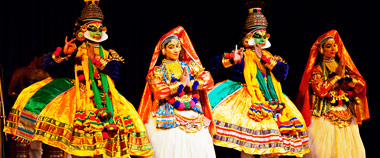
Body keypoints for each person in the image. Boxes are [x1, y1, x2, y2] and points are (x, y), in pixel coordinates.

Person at [3, 0, 153, 157]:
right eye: (91, 28)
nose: (96, 32)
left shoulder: (110, 54)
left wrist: (95, 59)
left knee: (118, 130)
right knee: (34, 104)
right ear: (83, 30)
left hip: (106, 96)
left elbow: (115, 73)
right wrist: (63, 54)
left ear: (104, 30)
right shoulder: (75, 51)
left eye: (99, 28)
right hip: (75, 95)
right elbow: (48, 67)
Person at [208, 2, 309, 157]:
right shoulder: (242, 56)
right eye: (258, 35)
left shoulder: (270, 57)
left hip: (272, 99)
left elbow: (283, 74)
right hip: (248, 100)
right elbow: (215, 65)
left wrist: (266, 60)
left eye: (264, 35)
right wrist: (232, 60)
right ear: (249, 38)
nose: (261, 39)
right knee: (248, 145)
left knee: (273, 147)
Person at [138, 26, 216, 158]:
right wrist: (180, 84)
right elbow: (158, 91)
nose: (176, 50)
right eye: (171, 47)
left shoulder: (190, 66)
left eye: (178, 46)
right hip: (168, 111)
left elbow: (208, 81)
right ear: (163, 50)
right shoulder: (158, 70)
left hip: (192, 111)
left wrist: (189, 84)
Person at [296, 29, 369, 158]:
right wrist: (336, 77)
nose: (333, 49)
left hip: (345, 112)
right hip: (324, 114)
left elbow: (360, 85)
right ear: (321, 50)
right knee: (322, 151)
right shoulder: (318, 69)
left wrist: (349, 80)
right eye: (328, 46)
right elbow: (320, 90)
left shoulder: (342, 66)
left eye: (334, 45)